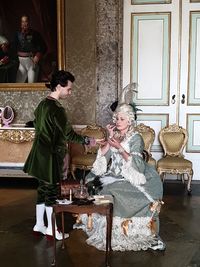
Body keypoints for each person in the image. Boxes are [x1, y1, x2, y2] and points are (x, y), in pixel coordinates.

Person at [75, 103, 165, 251]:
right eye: (116, 118)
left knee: (113, 190)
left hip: (132, 175)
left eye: (122, 119)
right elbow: (104, 155)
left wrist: (120, 148)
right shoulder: (115, 135)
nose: (117, 121)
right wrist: (110, 137)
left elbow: (137, 164)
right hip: (113, 174)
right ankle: (104, 226)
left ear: (130, 121)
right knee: (94, 184)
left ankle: (123, 229)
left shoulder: (136, 138)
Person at [23, 70, 94, 240]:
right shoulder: (57, 109)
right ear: (59, 86)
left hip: (38, 153)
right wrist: (89, 141)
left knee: (42, 190)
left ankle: (40, 225)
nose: (70, 92)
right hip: (49, 156)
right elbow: (69, 135)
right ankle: (52, 230)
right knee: (52, 192)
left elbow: (35, 123)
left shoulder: (42, 104)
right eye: (69, 89)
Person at [14, 15, 47, 83]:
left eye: (26, 21)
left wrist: (38, 56)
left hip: (32, 64)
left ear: (29, 22)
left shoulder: (35, 34)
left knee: (31, 84)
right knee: (18, 84)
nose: (25, 23)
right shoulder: (17, 34)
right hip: (21, 64)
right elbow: (13, 48)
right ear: (21, 23)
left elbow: (44, 47)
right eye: (23, 22)